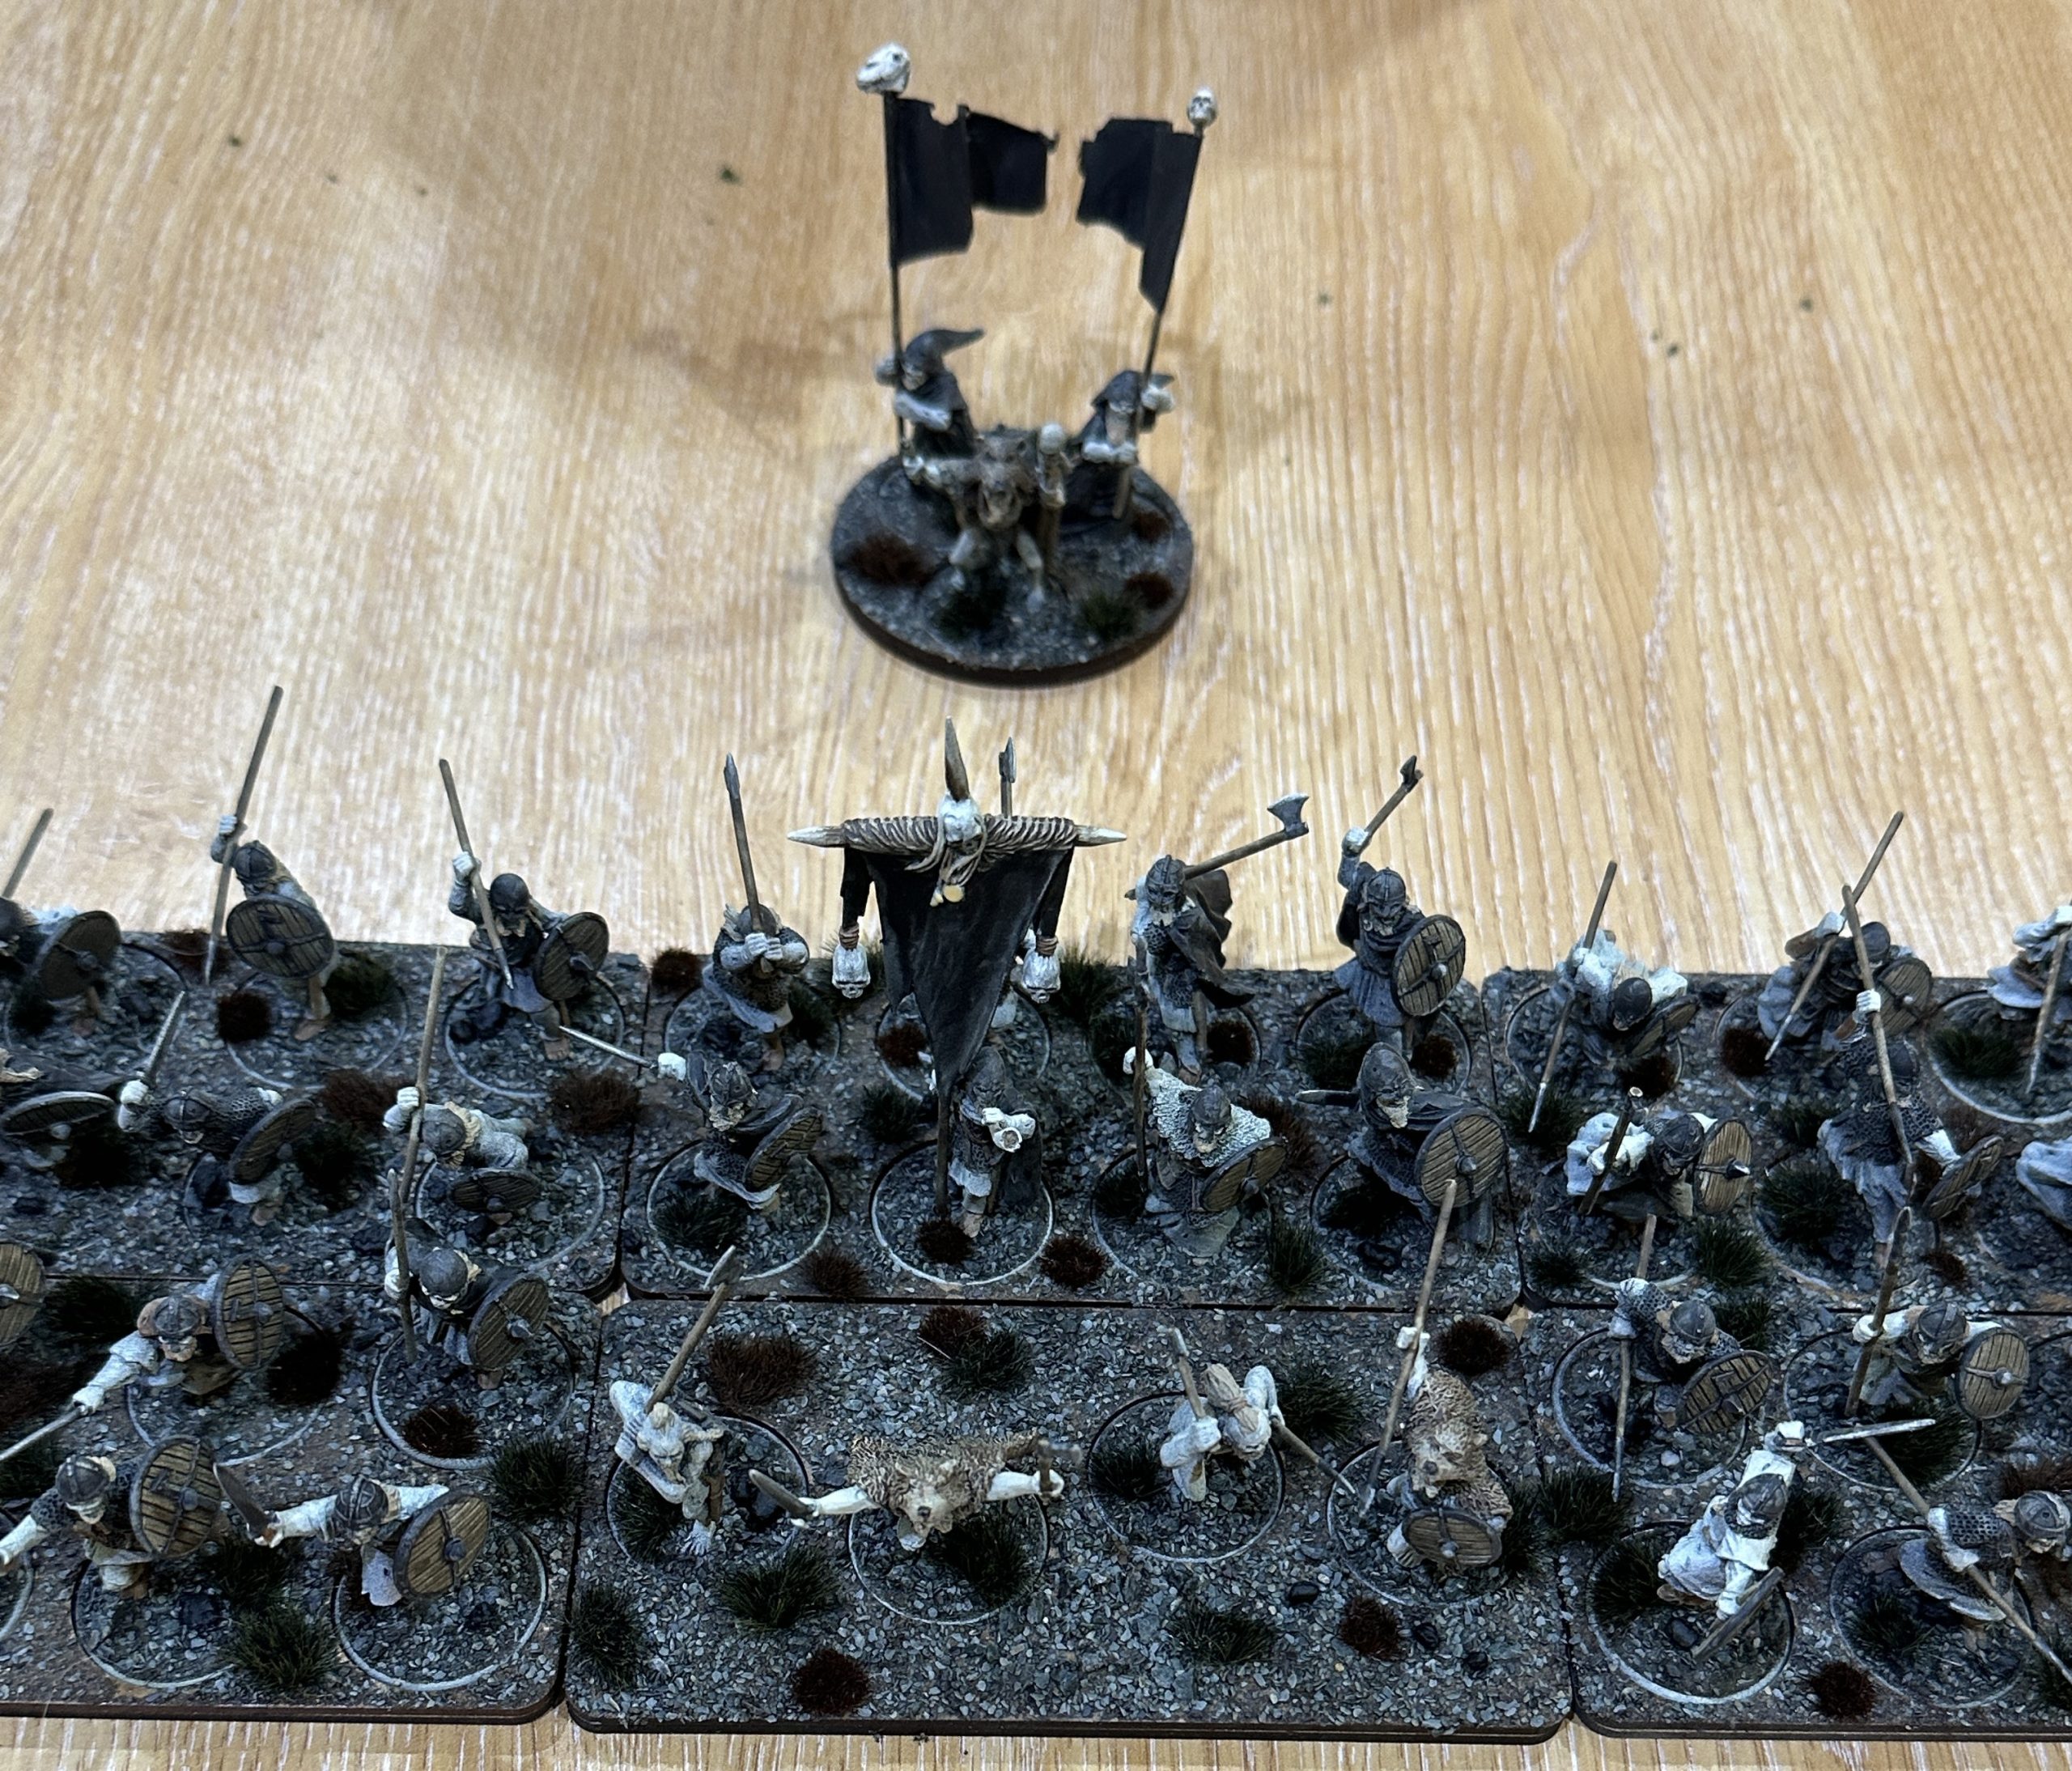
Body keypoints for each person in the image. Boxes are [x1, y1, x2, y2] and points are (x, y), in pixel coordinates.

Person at [771, 1429, 1063, 1552]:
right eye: (924, 1520)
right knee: (910, 1526)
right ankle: (918, 1531)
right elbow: (857, 1498)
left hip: (945, 1474)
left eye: (925, 1521)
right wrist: (819, 1506)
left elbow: (995, 1486)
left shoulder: (963, 1482)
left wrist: (1032, 1484)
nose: (924, 1522)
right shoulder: (889, 1483)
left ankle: (924, 1528)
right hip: (920, 1474)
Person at [1658, 1421, 1806, 1614]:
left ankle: (1689, 1597)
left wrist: (1726, 1610)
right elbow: (1774, 1453)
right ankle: (1675, 1577)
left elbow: (1736, 1588)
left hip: (1707, 1571)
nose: (1744, 1513)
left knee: (1694, 1586)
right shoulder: (1764, 1476)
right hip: (1698, 1543)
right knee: (1674, 1565)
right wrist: (1784, 1439)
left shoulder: (1746, 1552)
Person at [209, 818, 337, 1039]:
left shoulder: (290, 896)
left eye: (257, 884)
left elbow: (308, 929)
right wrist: (224, 838)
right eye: (247, 883)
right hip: (275, 941)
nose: (252, 888)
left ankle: (320, 1016)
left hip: (306, 946)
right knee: (288, 983)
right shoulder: (255, 869)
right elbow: (221, 855)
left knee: (315, 985)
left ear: (269, 875)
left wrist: (292, 947)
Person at [247, 1472, 450, 1607]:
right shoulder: (342, 1508)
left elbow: (442, 1496)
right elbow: (314, 1515)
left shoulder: (404, 1502)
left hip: (426, 1544)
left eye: (362, 1528)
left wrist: (424, 1529)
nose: (355, 1535)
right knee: (380, 1596)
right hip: (385, 1551)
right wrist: (280, 1525)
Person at [1132, 855, 1248, 1081]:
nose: (1159, 899)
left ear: (1178, 893)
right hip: (1154, 967)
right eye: (1154, 891)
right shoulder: (1146, 894)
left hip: (1179, 973)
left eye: (1167, 894)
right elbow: (1141, 923)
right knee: (1155, 1007)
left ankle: (1190, 1064)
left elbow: (1199, 949)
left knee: (1182, 1020)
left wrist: (1173, 937)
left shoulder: (1189, 917)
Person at [448, 860, 572, 1057]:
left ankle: (553, 1036)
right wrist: (461, 882)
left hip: (533, 966)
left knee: (542, 1010)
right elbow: (459, 907)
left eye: (518, 911)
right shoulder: (484, 910)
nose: (513, 916)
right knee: (502, 993)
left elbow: (553, 921)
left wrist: (573, 927)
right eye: (506, 911)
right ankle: (501, 1007)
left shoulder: (529, 908)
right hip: (502, 966)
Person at [0, 1453, 159, 1598]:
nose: (89, 1511)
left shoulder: (133, 1479)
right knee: (115, 1580)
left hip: (151, 1530)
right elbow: (35, 1527)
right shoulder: (59, 1504)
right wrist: (5, 1552)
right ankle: (138, 1568)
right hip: (118, 1542)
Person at [609, 1378, 727, 1554]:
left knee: (691, 1508)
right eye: (661, 1457)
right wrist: (634, 1429)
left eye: (674, 1455)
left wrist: (636, 1460)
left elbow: (676, 1492)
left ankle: (705, 1526)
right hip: (645, 1436)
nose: (669, 1462)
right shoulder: (638, 1419)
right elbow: (617, 1389)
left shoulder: (700, 1448)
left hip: (695, 1472)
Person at [1158, 1362, 1280, 1505]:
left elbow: (1260, 1372)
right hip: (1188, 1432)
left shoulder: (1255, 1399)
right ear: (1227, 1439)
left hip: (1228, 1440)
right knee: (1196, 1494)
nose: (1258, 1450)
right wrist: (1189, 1443)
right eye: (1250, 1447)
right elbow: (1167, 1457)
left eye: (1262, 1442)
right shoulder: (1202, 1429)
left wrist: (1273, 1406)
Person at [707, 903, 810, 1070]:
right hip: (738, 988)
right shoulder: (731, 936)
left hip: (769, 993)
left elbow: (800, 951)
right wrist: (744, 954)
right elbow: (724, 958)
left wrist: (785, 954)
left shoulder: (780, 934)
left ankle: (774, 1046)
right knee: (740, 1013)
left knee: (773, 1024)